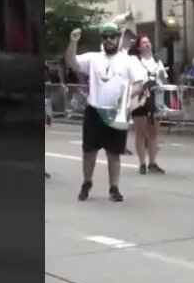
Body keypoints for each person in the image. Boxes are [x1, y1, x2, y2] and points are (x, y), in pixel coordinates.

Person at [64, 24, 145, 202]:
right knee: (89, 151)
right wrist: (73, 42)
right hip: (95, 110)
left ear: (117, 38)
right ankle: (87, 183)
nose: (109, 40)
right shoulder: (94, 58)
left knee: (114, 153)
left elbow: (139, 83)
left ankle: (114, 187)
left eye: (112, 36)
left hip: (116, 112)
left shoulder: (128, 60)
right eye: (105, 37)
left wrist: (126, 96)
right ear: (102, 39)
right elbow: (72, 62)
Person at [129, 35, 168, 174]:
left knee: (154, 133)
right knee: (140, 132)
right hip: (140, 98)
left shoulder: (157, 60)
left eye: (148, 42)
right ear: (139, 47)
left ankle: (152, 162)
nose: (147, 44)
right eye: (144, 42)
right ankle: (141, 163)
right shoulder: (135, 60)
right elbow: (135, 79)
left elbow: (163, 78)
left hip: (156, 97)